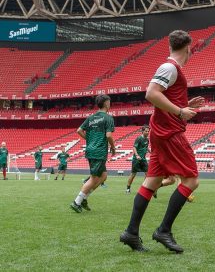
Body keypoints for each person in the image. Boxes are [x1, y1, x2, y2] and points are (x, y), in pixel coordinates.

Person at [120, 30, 204, 253]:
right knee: (191, 181)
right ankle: (163, 230)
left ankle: (131, 232)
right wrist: (179, 111)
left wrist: (186, 104)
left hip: (161, 132)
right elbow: (151, 93)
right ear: (188, 48)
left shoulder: (171, 69)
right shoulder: (169, 67)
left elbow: (163, 96)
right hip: (170, 134)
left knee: (152, 182)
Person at [70, 94, 116, 213]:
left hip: (90, 150)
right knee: (94, 178)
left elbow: (79, 130)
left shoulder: (91, 117)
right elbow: (109, 135)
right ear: (106, 103)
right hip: (99, 151)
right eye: (109, 102)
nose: (110, 104)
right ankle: (77, 202)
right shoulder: (108, 118)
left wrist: (89, 140)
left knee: (103, 175)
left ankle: (84, 198)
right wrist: (113, 147)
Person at [126, 125, 151, 194]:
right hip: (136, 159)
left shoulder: (147, 139)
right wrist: (137, 155)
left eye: (148, 131)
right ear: (142, 131)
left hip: (143, 159)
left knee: (147, 174)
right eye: (146, 131)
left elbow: (147, 147)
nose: (147, 132)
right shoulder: (139, 138)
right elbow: (134, 147)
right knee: (133, 174)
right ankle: (128, 188)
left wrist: (151, 152)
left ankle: (144, 188)